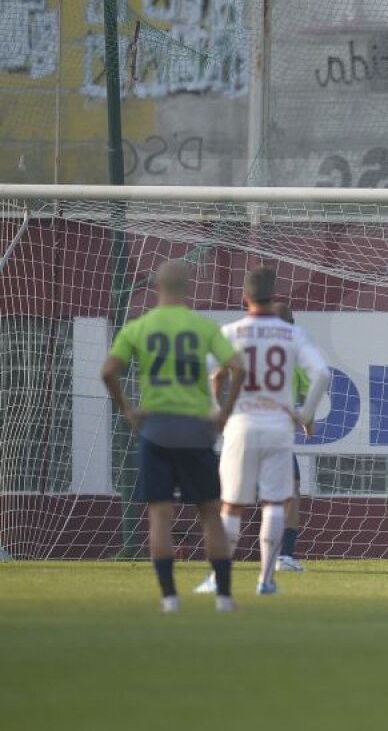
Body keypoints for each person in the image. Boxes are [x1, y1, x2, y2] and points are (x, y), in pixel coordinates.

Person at [99, 260, 246, 613]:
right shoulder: (202, 326)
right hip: (195, 430)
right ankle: (224, 598)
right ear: (188, 289)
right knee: (210, 514)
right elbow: (238, 367)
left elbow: (108, 371)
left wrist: (127, 409)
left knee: (160, 516)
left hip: (157, 430)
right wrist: (224, 412)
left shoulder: (139, 327)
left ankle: (170, 599)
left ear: (156, 288)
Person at [197, 267, 331, 596]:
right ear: (273, 296)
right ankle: (266, 580)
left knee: (231, 506)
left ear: (245, 297)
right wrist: (305, 414)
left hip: (241, 427)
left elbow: (209, 372)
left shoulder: (231, 332)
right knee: (274, 504)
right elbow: (323, 375)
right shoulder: (292, 335)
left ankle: (218, 579)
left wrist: (216, 411)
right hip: (278, 428)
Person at [274, 301, 318, 573]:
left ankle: (218, 567)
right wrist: (308, 426)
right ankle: (284, 556)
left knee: (234, 499)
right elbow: (308, 396)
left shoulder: (245, 347)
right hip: (275, 437)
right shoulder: (294, 355)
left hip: (242, 434)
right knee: (290, 493)